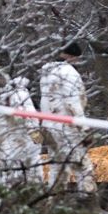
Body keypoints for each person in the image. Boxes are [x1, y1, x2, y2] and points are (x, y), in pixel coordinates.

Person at [40, 41, 96, 194]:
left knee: (57, 167)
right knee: (82, 165)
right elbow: (72, 102)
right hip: (67, 127)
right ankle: (88, 201)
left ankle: (53, 200)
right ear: (73, 57)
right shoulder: (69, 73)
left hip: (49, 127)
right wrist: (84, 127)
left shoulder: (46, 72)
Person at [0, 75, 42, 186]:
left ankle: (0, 191)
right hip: (16, 137)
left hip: (18, 138)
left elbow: (23, 115)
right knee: (25, 165)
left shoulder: (18, 94)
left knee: (5, 165)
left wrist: (34, 133)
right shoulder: (10, 95)